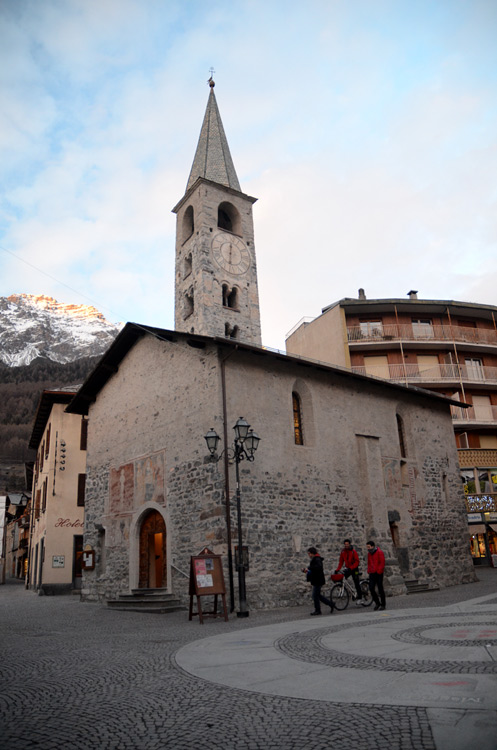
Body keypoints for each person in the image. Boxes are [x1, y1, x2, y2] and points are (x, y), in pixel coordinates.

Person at [302, 547, 334, 616]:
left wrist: (309, 568)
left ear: (312, 553)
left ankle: (318, 610)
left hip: (318, 580)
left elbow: (318, 568)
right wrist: (307, 570)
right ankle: (331, 604)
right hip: (316, 579)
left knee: (315, 595)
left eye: (309, 553)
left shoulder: (317, 559)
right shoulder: (315, 559)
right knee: (318, 595)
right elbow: (314, 569)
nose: (309, 555)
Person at [335, 539, 365, 606]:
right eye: (345, 544)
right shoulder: (343, 552)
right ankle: (350, 592)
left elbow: (357, 562)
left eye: (347, 544)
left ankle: (360, 598)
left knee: (356, 582)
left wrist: (351, 568)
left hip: (355, 569)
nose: (346, 546)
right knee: (342, 578)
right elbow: (341, 561)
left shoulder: (353, 552)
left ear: (349, 544)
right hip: (348, 568)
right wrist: (337, 569)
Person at [367, 540, 386, 611]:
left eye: (369, 547)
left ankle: (383, 604)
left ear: (372, 546)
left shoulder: (379, 552)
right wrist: (369, 570)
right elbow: (369, 562)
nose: (368, 548)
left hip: (378, 573)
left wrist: (379, 571)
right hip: (372, 572)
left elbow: (382, 562)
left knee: (380, 589)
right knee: (371, 588)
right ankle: (377, 602)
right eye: (367, 547)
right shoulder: (369, 554)